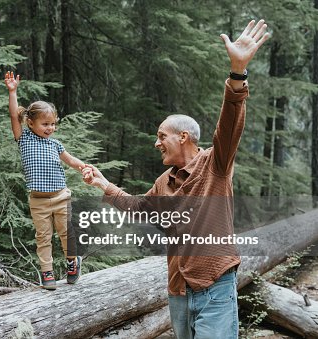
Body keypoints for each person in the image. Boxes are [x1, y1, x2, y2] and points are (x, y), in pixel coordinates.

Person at [82, 20, 270, 338]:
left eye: (161, 136)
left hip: (215, 288)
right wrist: (104, 184)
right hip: (178, 292)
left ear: (183, 137)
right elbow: (139, 207)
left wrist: (237, 73)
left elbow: (229, 125)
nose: (156, 143)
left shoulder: (216, 164)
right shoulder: (164, 183)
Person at [5, 71, 84, 290]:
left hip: (60, 196)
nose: (50, 128)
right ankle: (47, 272)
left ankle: (72, 264)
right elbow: (14, 115)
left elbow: (71, 161)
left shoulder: (54, 144)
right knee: (43, 237)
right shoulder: (24, 139)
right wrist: (13, 91)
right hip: (38, 201)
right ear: (30, 123)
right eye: (45, 124)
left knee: (66, 233)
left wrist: (84, 167)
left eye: (53, 124)